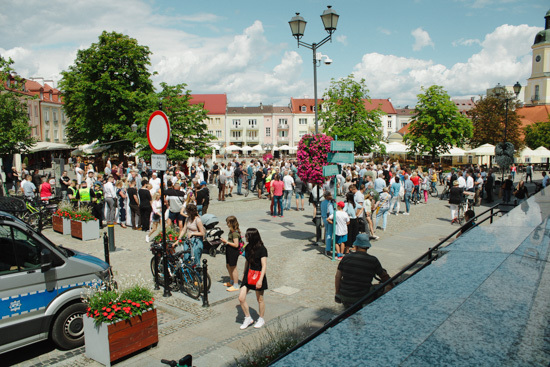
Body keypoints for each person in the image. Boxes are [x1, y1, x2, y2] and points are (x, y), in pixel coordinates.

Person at [334, 233, 391, 308]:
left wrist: (337, 293)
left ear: (356, 246)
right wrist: (390, 284)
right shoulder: (373, 260)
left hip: (345, 296)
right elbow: (384, 276)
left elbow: (338, 277)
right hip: (363, 297)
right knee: (382, 287)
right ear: (367, 247)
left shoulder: (346, 258)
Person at [238, 228, 268, 330]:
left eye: (247, 235)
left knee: (259, 299)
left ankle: (261, 318)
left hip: (258, 274)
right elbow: (247, 261)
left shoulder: (262, 249)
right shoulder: (247, 247)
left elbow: (264, 265)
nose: (245, 237)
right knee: (241, 298)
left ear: (252, 237)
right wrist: (243, 274)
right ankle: (248, 318)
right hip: (248, 273)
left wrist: (260, 280)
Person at [220, 216, 242, 292]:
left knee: (233, 267)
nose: (227, 224)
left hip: (233, 251)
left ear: (231, 223)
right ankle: (231, 281)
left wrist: (226, 242)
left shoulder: (235, 233)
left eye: (228, 222)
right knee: (228, 265)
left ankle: (236, 285)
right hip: (229, 249)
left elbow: (236, 245)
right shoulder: (231, 231)